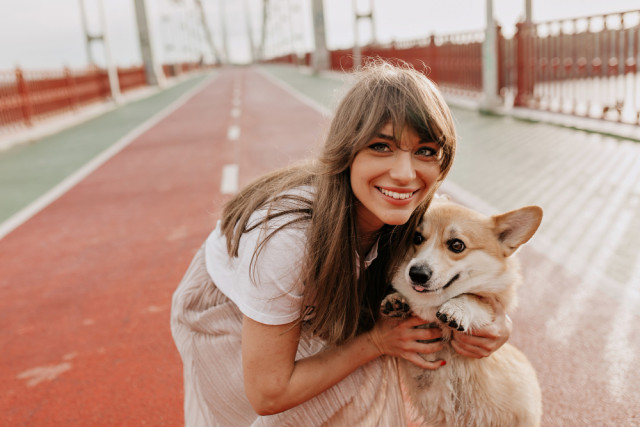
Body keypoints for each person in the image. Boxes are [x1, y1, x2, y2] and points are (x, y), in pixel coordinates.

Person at [170, 61, 512, 426]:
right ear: (347, 151)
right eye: (381, 146)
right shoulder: (288, 243)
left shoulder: (420, 212)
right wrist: (375, 342)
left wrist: (498, 323)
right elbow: (268, 393)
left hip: (320, 299)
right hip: (230, 313)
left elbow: (478, 269)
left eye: (425, 151)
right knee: (364, 371)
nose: (404, 173)